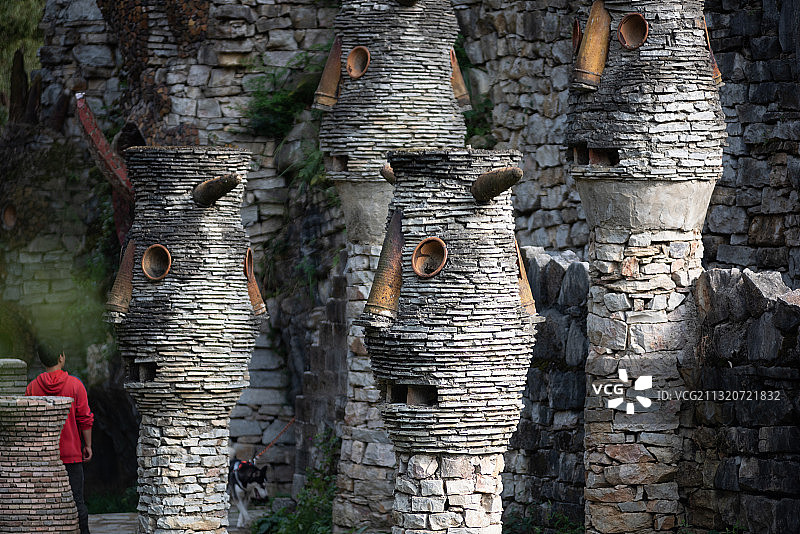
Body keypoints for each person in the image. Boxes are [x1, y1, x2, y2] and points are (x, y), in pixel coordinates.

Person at [26, 350, 93, 534]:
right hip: (71, 455)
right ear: (61, 357)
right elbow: (85, 418)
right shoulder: (75, 385)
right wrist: (87, 446)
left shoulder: (32, 388)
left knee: (43, 504)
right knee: (77, 501)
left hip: (43, 457)